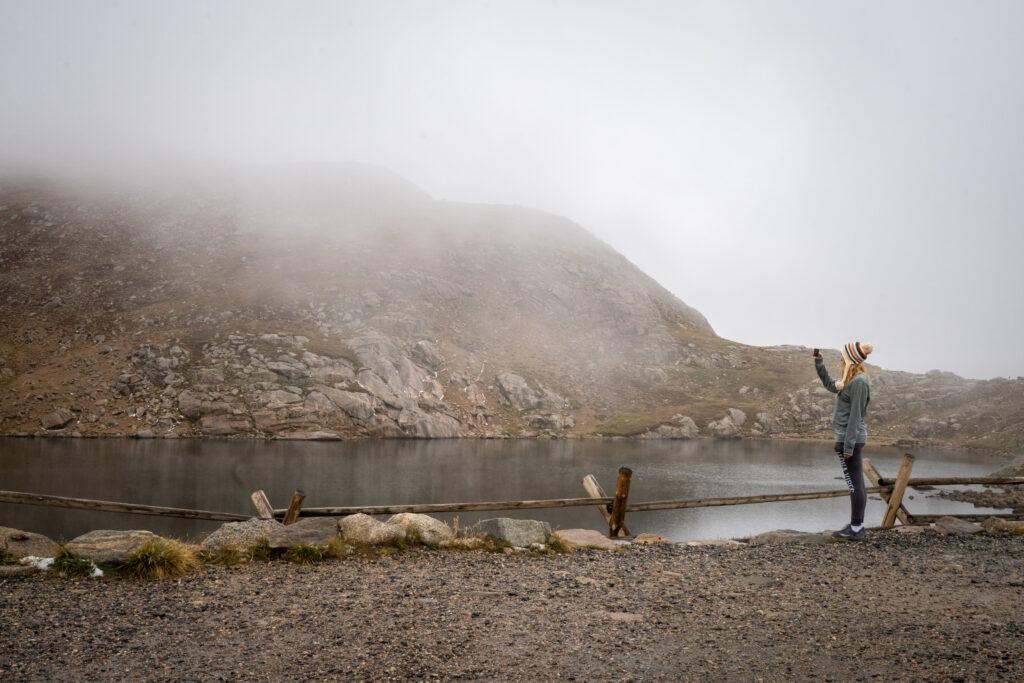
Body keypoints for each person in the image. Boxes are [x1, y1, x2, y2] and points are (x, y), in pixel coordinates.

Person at [814, 342, 873, 540]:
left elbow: (856, 416)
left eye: (842, 358)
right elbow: (831, 385)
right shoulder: (850, 379)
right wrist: (818, 363)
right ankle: (857, 525)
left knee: (854, 484)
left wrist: (847, 446)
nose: (840, 361)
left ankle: (856, 529)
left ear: (850, 359)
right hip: (848, 439)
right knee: (856, 483)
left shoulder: (859, 382)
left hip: (851, 441)